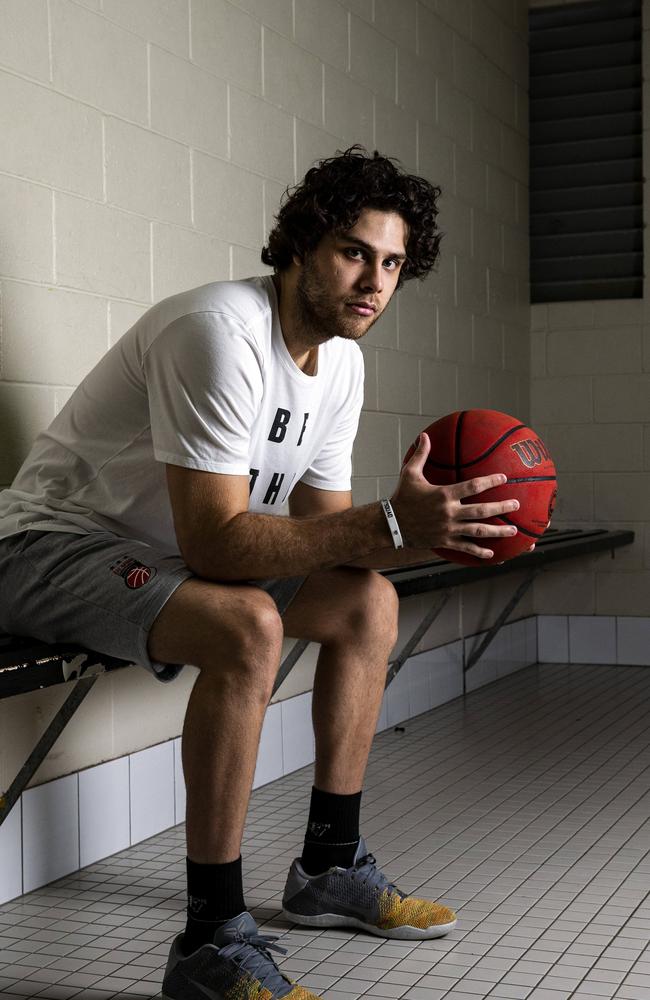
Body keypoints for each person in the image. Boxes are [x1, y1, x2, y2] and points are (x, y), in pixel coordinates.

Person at [0, 147, 523, 1000]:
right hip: (45, 544)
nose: (375, 283)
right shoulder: (219, 332)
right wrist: (391, 523)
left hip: (157, 553)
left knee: (367, 604)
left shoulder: (342, 364)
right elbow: (217, 548)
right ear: (303, 245)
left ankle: (328, 864)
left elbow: (325, 538)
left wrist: (442, 532)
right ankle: (209, 937)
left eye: (393, 264)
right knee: (249, 625)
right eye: (356, 252)